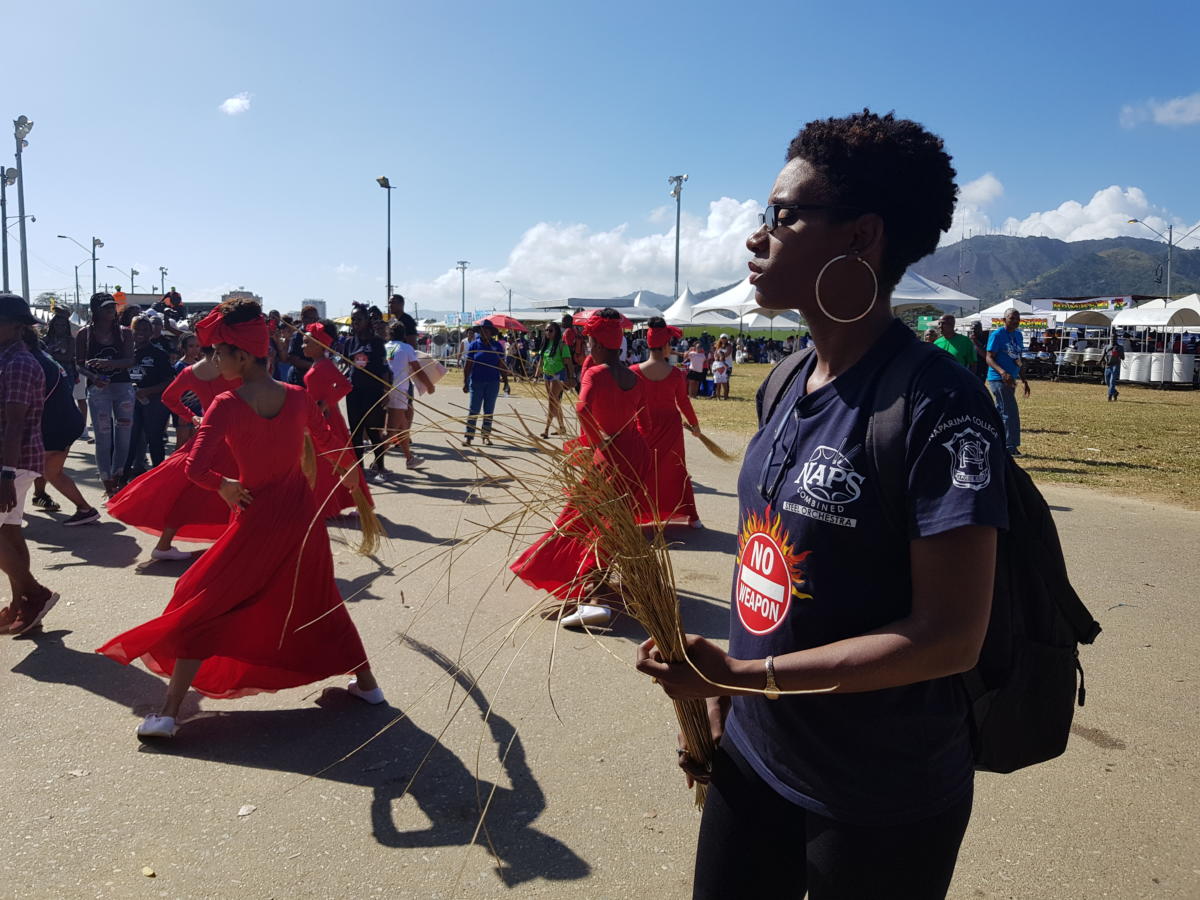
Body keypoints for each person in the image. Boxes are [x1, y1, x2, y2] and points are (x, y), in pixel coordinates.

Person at [634, 111, 1008, 899]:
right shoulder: (782, 380)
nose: (757, 236)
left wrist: (747, 675)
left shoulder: (939, 404)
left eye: (784, 215)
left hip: (881, 795)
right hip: (755, 752)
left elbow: (949, 639)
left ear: (861, 237)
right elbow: (767, 563)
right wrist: (728, 695)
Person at [97, 298, 384, 739]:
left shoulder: (227, 404)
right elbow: (331, 444)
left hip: (256, 517)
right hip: (300, 518)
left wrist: (224, 485)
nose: (213, 360)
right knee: (317, 598)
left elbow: (196, 468)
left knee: (202, 599)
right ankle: (368, 686)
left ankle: (169, 713)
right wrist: (356, 488)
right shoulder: (297, 397)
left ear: (244, 356)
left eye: (219, 352)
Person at [511, 308, 650, 630]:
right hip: (636, 453)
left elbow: (582, 408)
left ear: (597, 344)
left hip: (610, 453)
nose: (587, 347)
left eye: (589, 342)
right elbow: (645, 421)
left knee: (584, 520)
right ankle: (600, 585)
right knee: (614, 522)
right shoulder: (635, 376)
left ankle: (595, 597)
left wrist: (595, 441)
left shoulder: (596, 373)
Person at [109, 342, 243, 562]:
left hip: (210, 435)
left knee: (194, 490)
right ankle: (234, 541)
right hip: (233, 437)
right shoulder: (234, 367)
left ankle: (168, 544)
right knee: (223, 490)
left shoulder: (192, 371)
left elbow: (168, 397)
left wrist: (193, 417)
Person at [0, 293, 59, 635]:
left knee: (6, 531)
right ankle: (20, 603)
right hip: (13, 461)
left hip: (13, 460)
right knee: (9, 531)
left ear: (16, 326)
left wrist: (6, 474)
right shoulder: (7, 358)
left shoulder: (19, 364)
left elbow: (15, 424)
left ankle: (35, 594)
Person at [23, 326, 98, 526]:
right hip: (66, 423)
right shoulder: (42, 356)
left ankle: (9, 516)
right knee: (50, 471)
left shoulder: (29, 362)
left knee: (19, 469)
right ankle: (85, 509)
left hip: (55, 426)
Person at [634, 318, 702, 528]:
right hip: (671, 428)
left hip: (643, 426)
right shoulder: (675, 374)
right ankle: (690, 516)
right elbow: (684, 402)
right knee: (674, 470)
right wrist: (695, 425)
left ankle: (633, 513)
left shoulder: (633, 371)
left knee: (640, 470)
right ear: (666, 346)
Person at [76, 293, 136, 496]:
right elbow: (79, 364)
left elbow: (130, 360)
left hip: (123, 388)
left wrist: (109, 364)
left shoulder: (124, 332)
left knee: (124, 436)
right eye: (106, 307)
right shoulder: (85, 334)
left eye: (113, 307)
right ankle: (107, 481)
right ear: (96, 310)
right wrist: (94, 376)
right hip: (98, 389)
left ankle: (118, 475)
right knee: (103, 436)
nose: (111, 310)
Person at [124, 315, 174, 481]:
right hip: (130, 403)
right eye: (137, 328)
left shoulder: (159, 354)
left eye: (145, 329)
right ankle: (122, 479)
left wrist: (148, 391)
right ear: (131, 330)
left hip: (153, 403)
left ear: (151, 332)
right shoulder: (125, 352)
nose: (141, 332)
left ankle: (159, 478)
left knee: (155, 439)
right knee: (129, 440)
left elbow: (169, 381)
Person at [344, 303, 391, 476]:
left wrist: (386, 392)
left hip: (373, 392)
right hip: (354, 392)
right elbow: (347, 366)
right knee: (355, 432)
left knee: (373, 431)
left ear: (367, 320)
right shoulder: (349, 342)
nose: (355, 322)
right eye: (353, 319)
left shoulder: (377, 342)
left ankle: (380, 466)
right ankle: (359, 469)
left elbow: (385, 370)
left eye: (359, 319)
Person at [381, 320, 435, 469]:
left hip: (386, 390)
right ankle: (377, 463)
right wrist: (429, 386)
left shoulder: (385, 347)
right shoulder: (406, 348)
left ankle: (409, 458)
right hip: (399, 391)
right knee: (392, 430)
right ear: (403, 335)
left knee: (402, 427)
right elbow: (418, 370)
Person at [986, 308, 1031, 456]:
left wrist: (1024, 379)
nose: (1015, 321)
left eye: (1018, 319)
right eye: (1012, 318)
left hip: (1011, 379)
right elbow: (989, 358)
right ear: (1004, 320)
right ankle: (1010, 446)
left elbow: (1018, 359)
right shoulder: (997, 335)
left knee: (1000, 411)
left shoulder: (1018, 335)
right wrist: (1002, 372)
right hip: (998, 378)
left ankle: (993, 441)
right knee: (1010, 411)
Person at [462, 320, 508, 446]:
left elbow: (501, 365)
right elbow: (468, 365)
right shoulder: (474, 345)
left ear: (491, 332)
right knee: (474, 410)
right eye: (482, 330)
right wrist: (465, 381)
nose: (484, 332)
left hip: (493, 382)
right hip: (476, 382)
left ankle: (486, 436)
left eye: (487, 330)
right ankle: (469, 437)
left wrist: (506, 381)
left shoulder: (497, 346)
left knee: (489, 411)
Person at [535, 321, 576, 439]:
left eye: (551, 330)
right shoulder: (545, 344)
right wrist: (536, 376)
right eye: (546, 330)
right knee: (556, 402)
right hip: (546, 375)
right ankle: (562, 427)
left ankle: (546, 429)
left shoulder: (562, 345)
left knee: (551, 401)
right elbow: (541, 361)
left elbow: (568, 362)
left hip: (558, 375)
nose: (548, 332)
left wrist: (571, 377)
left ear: (556, 332)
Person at [284, 305, 321, 387]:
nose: (315, 322)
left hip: (314, 378)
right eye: (312, 319)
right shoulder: (297, 336)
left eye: (317, 319)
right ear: (303, 319)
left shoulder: (317, 334)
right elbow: (293, 359)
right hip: (299, 378)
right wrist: (314, 366)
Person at [1101, 336, 1124, 401]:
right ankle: (1115, 392)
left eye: (1114, 338)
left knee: (1112, 381)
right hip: (1108, 366)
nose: (1113, 339)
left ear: (1116, 339)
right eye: (1112, 338)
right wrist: (1101, 361)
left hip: (1115, 366)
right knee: (1107, 381)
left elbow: (1123, 357)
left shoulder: (1120, 347)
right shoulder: (1106, 347)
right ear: (1110, 338)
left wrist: (1118, 352)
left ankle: (1110, 396)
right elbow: (1103, 355)